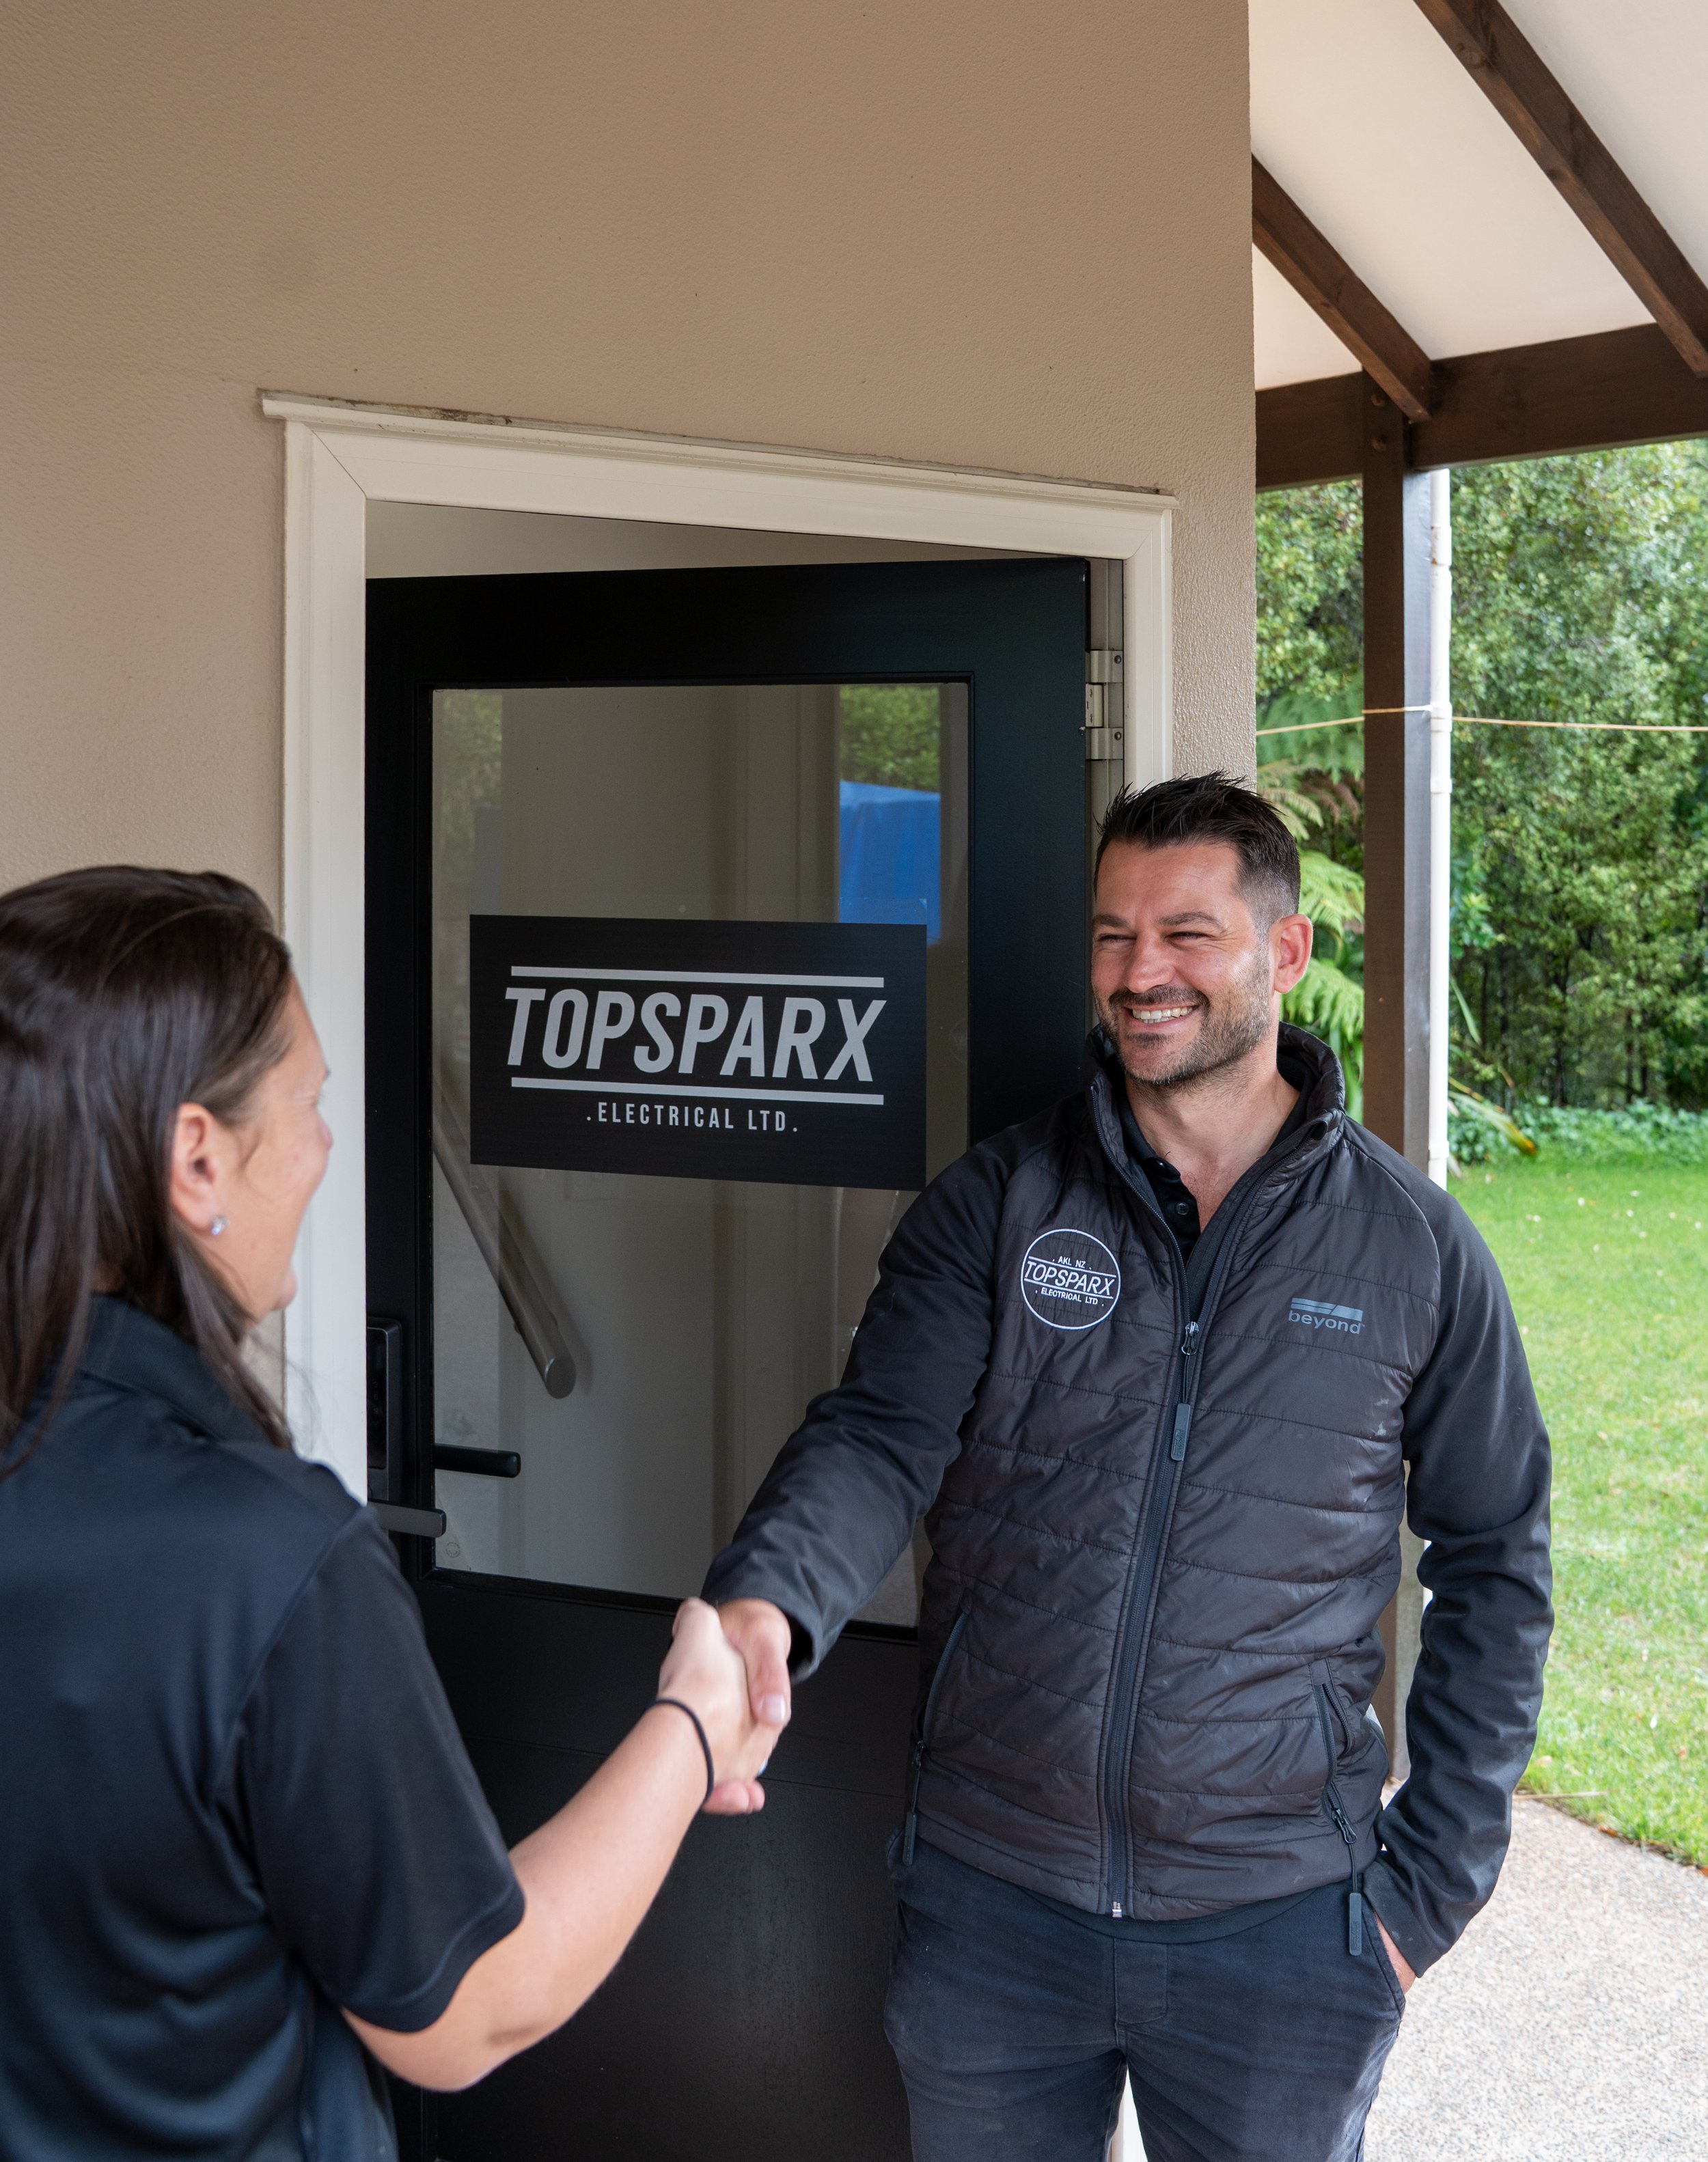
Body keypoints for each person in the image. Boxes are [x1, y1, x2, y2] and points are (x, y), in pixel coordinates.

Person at [704, 774, 1552, 2162]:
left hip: (1282, 1925)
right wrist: (768, 1602)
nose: (1139, 971)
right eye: (1113, 934)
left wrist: (1425, 1890)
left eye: (1185, 933)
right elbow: (876, 1436)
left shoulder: (1413, 1250)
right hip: (994, 1899)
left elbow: (1498, 1561)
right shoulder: (997, 1203)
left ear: (1284, 951)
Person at [0, 866, 780, 2161]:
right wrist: (697, 1722)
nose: (325, 1147)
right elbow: (469, 2007)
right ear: (198, 1156)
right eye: (309, 1103)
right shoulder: (263, 1561)